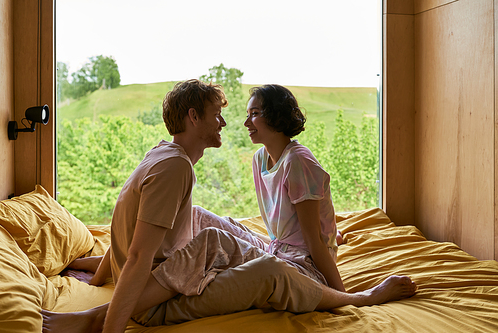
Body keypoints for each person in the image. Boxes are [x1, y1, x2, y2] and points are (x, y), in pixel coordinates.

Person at [42, 80, 417, 333]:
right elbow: (139, 250)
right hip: (263, 257)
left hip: (301, 264)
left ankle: (94, 316)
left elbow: (316, 239)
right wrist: (102, 276)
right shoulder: (183, 163)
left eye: (252, 113)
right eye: (217, 114)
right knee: (207, 228)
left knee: (213, 237)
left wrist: (351, 295)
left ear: (274, 117)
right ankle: (97, 314)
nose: (230, 122)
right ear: (193, 117)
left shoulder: (165, 155)